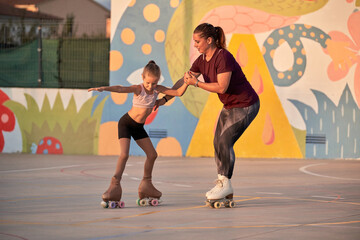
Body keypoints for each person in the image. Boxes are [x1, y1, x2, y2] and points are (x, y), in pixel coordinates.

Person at [158, 23, 260, 202]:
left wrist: (196, 83)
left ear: (209, 40)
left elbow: (222, 87)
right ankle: (224, 186)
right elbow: (183, 84)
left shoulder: (223, 57)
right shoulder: (201, 60)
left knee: (224, 141)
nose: (195, 45)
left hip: (246, 104)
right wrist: (163, 99)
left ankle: (225, 183)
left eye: (197, 41)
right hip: (230, 106)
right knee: (217, 142)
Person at [88, 60, 189, 207]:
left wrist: (187, 82)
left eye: (154, 83)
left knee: (152, 155)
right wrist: (104, 88)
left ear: (158, 81)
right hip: (126, 123)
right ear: (143, 77)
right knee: (124, 155)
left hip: (138, 127)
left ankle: (146, 184)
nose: (150, 86)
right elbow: (121, 89)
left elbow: (178, 92)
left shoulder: (157, 89)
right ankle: (114, 185)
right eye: (148, 82)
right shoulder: (138, 88)